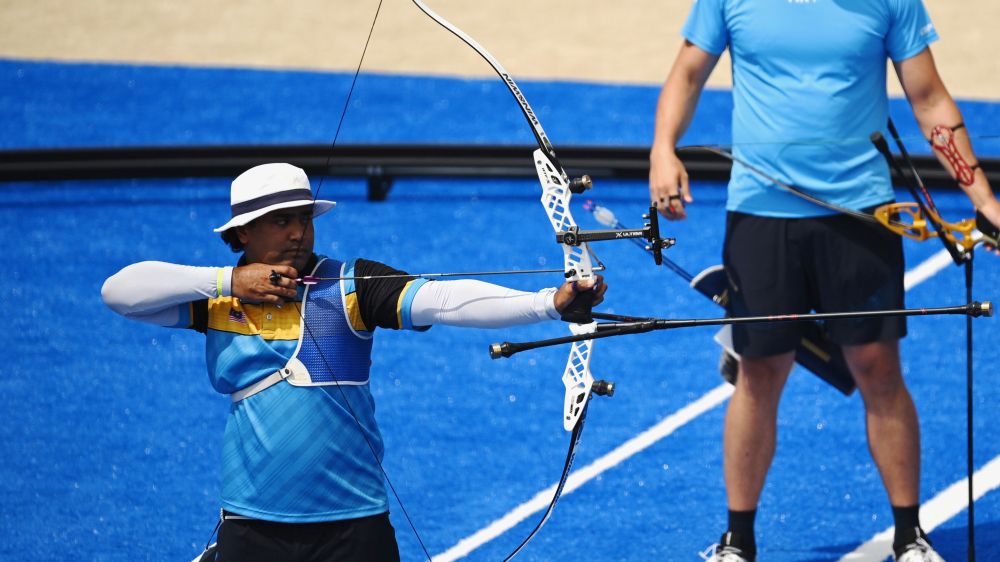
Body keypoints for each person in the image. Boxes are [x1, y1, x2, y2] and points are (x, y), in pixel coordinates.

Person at [101, 162, 606, 562]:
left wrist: (548, 304)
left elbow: (445, 300)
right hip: (253, 521)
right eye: (281, 221)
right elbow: (119, 292)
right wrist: (230, 282)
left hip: (352, 523)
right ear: (242, 235)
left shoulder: (351, 286)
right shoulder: (212, 301)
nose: (298, 232)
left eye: (303, 218)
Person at [648, 2, 1000, 561]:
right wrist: (662, 150)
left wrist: (985, 200)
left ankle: (910, 538)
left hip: (861, 215)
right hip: (761, 216)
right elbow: (688, 72)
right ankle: (737, 542)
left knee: (878, 369)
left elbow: (929, 96)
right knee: (759, 374)